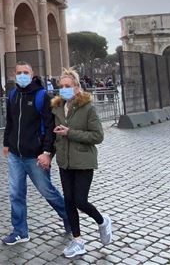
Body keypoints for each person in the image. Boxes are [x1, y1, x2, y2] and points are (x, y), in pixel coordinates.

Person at [1, 61, 71, 246]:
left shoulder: (42, 96)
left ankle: (69, 217)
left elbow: (50, 127)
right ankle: (20, 231)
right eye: (19, 72)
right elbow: (10, 121)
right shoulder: (13, 95)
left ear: (32, 75)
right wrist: (6, 143)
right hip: (16, 154)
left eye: (25, 72)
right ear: (14, 75)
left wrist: (47, 152)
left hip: (36, 155)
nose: (22, 75)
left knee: (47, 191)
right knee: (16, 194)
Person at [51, 69, 113, 258]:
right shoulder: (57, 107)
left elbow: (97, 136)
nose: (64, 89)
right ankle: (77, 240)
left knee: (80, 200)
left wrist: (70, 133)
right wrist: (48, 152)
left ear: (77, 87)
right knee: (68, 201)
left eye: (68, 86)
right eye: (61, 87)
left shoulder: (88, 108)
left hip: (84, 160)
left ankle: (103, 221)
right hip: (65, 161)